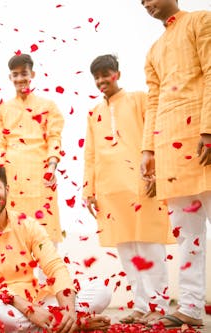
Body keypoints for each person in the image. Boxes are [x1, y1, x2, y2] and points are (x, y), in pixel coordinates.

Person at [0, 161, 112, 332]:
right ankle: (74, 326)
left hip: (35, 301)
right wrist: (30, 310)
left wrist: (70, 311)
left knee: (101, 290)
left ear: (7, 189)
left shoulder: (28, 224)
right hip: (0, 304)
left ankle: (58, 324)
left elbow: (54, 266)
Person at [83, 54, 174, 324]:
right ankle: (141, 304)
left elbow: (155, 135)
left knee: (150, 247)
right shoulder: (94, 113)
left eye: (105, 75)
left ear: (117, 74)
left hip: (141, 185)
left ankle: (159, 306)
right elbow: (90, 153)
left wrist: (157, 173)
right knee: (128, 252)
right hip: (110, 192)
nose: (101, 81)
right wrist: (89, 189)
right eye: (97, 77)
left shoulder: (139, 99)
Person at [140, 0, 211, 329]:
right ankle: (192, 307)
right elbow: (154, 101)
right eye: (141, 2)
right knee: (187, 236)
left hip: (202, 140)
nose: (147, 4)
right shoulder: (153, 50)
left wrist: (208, 128)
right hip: (169, 149)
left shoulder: (200, 21)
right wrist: (149, 151)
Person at [0, 53, 64, 243]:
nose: (20, 78)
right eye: (15, 75)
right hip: (12, 176)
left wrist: (51, 167)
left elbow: (54, 137)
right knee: (15, 235)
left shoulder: (48, 106)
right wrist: (0, 176)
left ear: (32, 74)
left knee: (45, 234)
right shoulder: (1, 110)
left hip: (41, 174)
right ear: (10, 78)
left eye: (24, 73)